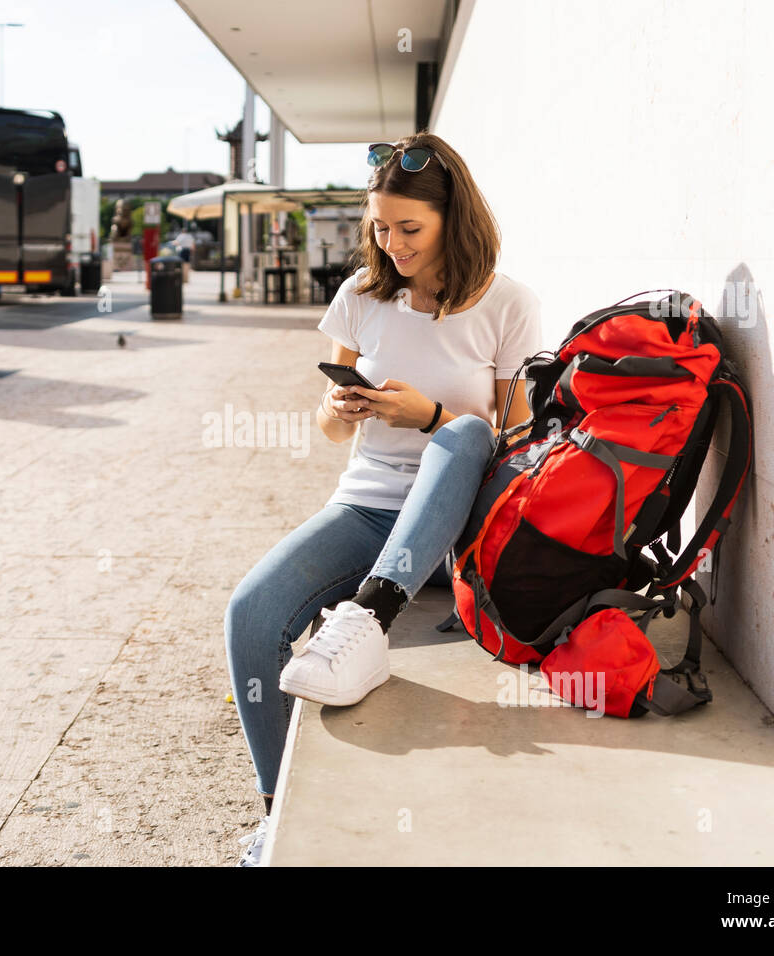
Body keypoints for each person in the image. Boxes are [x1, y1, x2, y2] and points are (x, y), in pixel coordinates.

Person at [223, 131, 542, 866]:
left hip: (457, 523)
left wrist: (428, 417)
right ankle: (280, 818)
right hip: (366, 511)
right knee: (250, 614)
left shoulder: (508, 304)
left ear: (452, 219)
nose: (392, 243)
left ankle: (368, 621)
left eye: (410, 229)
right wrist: (341, 413)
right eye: (380, 226)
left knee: (461, 437)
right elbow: (328, 428)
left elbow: (517, 442)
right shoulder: (361, 298)